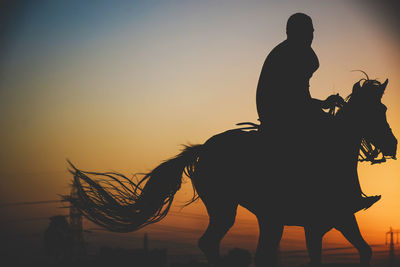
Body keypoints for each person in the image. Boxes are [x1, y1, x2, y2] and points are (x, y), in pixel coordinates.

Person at [255, 13, 379, 211]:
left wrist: (322, 103)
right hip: (279, 111)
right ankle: (339, 193)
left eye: (312, 31)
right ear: (296, 32)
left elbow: (299, 94)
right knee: (333, 134)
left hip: (282, 108)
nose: (312, 35)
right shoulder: (294, 53)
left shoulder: (294, 52)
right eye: (309, 31)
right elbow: (293, 97)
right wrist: (320, 105)